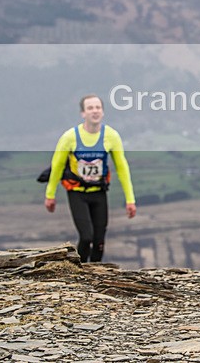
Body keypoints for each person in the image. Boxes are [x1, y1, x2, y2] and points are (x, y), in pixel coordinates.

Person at [44, 94, 136, 263]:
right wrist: (50, 195)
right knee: (86, 237)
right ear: (83, 113)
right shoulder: (69, 137)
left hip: (99, 193)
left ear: (103, 112)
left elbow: (122, 168)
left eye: (98, 108)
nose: (95, 111)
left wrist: (130, 200)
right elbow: (56, 166)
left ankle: (94, 274)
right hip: (77, 192)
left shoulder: (111, 136)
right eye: (90, 108)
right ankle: (77, 270)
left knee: (99, 241)